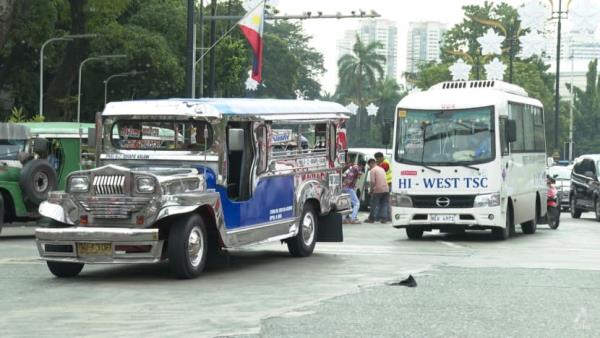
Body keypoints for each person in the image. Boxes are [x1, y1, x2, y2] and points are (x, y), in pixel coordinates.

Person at [365, 158, 390, 224]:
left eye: (369, 165)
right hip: (386, 189)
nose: (369, 167)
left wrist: (371, 190)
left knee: (373, 204)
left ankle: (371, 219)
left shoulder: (373, 170)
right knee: (384, 204)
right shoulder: (381, 169)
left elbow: (372, 182)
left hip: (378, 189)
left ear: (371, 163)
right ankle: (384, 219)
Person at [342, 159, 365, 224]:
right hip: (348, 187)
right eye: (363, 167)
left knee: (347, 203)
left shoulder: (351, 167)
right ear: (361, 165)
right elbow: (360, 174)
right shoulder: (357, 168)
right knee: (356, 203)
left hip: (343, 186)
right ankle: (353, 218)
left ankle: (343, 219)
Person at [375, 152, 392, 222]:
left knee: (383, 201)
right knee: (385, 201)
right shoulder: (383, 163)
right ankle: (386, 217)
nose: (377, 160)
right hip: (385, 184)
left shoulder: (385, 163)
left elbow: (380, 171)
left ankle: (383, 217)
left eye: (377, 159)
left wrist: (376, 166)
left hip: (387, 184)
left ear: (381, 157)